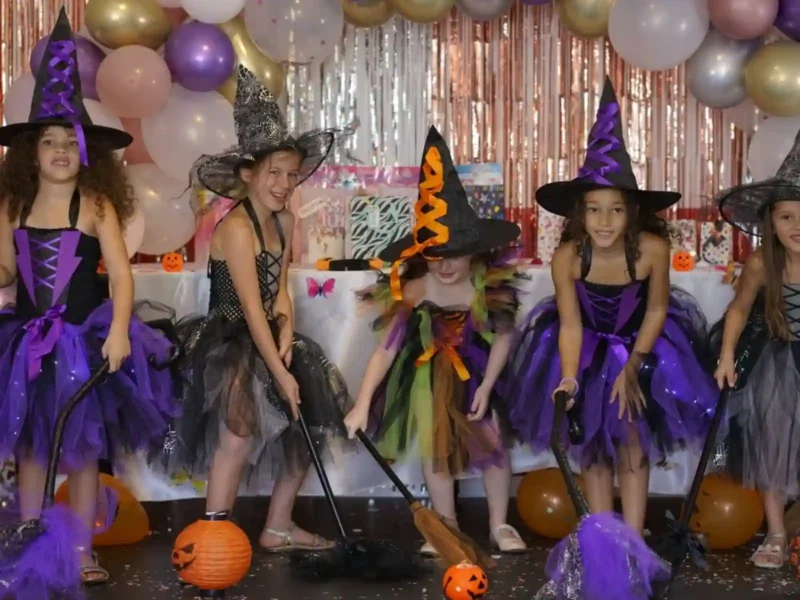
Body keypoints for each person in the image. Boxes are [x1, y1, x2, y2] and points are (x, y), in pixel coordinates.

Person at [0, 10, 178, 585]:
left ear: (84, 151)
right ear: (30, 152)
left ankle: (79, 549)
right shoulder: (13, 208)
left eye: (67, 142)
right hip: (24, 344)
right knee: (29, 446)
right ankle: (29, 539)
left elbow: (122, 276)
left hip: (81, 340)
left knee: (79, 450)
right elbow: (7, 270)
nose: (57, 151)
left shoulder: (95, 205)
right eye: (47, 142)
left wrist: (121, 330)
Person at [509, 78, 717, 536]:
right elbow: (568, 324)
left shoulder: (652, 250)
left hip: (644, 348)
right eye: (595, 209)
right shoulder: (568, 255)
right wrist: (568, 374)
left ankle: (635, 539)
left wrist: (635, 365)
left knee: (632, 446)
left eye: (617, 210)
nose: (605, 221)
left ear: (633, 213)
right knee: (593, 449)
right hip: (583, 350)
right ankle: (602, 534)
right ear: (579, 213)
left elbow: (658, 309)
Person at [164, 65, 351, 552]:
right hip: (232, 339)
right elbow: (250, 308)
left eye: (292, 174)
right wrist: (278, 369)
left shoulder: (285, 222)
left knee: (304, 427)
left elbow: (280, 289)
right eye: (275, 173)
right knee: (238, 436)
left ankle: (278, 527)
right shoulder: (237, 229)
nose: (285, 183)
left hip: (270, 336)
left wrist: (287, 330)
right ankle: (211, 536)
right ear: (248, 173)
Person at [344, 126, 529, 554]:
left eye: (455, 257)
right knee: (435, 447)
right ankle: (445, 523)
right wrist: (361, 402)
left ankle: (500, 523)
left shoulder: (486, 284)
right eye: (435, 258)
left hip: (480, 370)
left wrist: (486, 385)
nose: (445, 268)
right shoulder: (416, 289)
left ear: (475, 252)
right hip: (427, 373)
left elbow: (503, 338)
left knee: (493, 441)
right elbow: (386, 348)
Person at [711, 129, 800, 569]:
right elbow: (738, 310)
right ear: (770, 221)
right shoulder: (764, 263)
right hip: (778, 364)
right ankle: (777, 534)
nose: (796, 227)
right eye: (786, 217)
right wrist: (727, 354)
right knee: (773, 446)